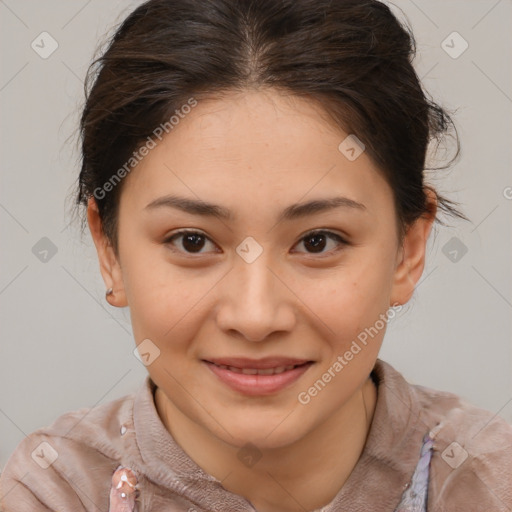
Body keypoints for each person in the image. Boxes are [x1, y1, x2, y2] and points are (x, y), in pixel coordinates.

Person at [1, 0, 511, 511]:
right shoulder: (57, 491)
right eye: (192, 241)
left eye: (318, 241)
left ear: (409, 249)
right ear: (109, 250)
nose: (255, 316)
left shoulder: (490, 484)